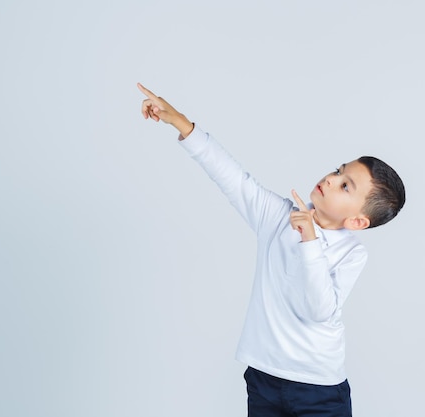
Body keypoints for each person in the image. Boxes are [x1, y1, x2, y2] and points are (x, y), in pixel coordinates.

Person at [137, 82, 405, 417]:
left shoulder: (352, 254)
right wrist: (180, 123)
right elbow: (234, 179)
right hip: (264, 378)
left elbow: (318, 309)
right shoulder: (278, 217)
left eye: (345, 186)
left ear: (357, 222)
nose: (331, 179)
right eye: (339, 171)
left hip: (319, 389)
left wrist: (310, 241)